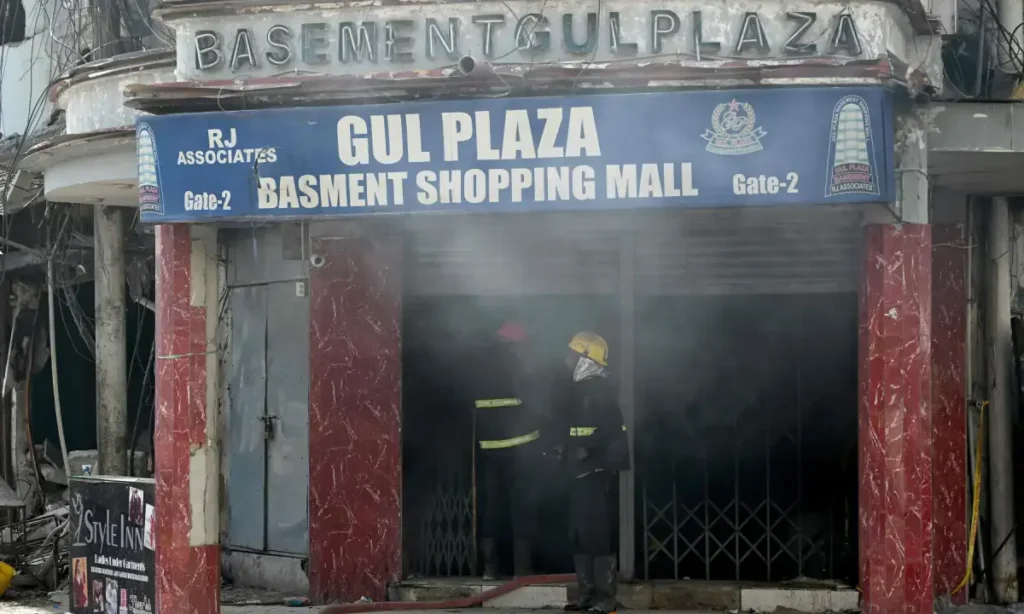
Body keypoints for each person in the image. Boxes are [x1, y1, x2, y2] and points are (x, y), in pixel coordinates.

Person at [551, 331, 629, 614]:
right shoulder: (577, 389)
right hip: (577, 472)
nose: (568, 358)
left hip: (594, 472)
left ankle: (606, 598)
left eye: (574, 353)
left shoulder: (600, 390)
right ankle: (587, 594)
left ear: (586, 358)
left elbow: (614, 431)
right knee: (579, 533)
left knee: (595, 533)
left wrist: (589, 448)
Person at [474, 321, 543, 579]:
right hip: (520, 449)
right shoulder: (517, 366)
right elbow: (534, 403)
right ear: (514, 344)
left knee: (493, 508)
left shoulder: (481, 369)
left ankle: (490, 568)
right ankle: (522, 570)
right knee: (522, 509)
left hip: (490, 449)